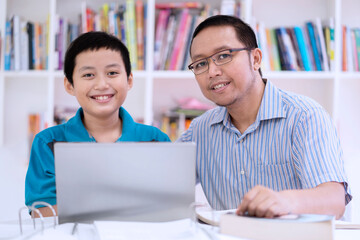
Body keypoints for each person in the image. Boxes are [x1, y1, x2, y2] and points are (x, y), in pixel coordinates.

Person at [178, 15, 351, 219]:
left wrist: (286, 201)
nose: (212, 72)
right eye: (200, 64)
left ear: (256, 59)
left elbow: (334, 200)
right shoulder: (200, 130)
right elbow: (158, 181)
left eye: (224, 56)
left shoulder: (305, 117)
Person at [25, 31, 170, 217]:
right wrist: (119, 206)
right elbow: (41, 211)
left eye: (112, 73)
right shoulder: (47, 142)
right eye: (88, 75)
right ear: (70, 85)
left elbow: (167, 207)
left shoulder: (156, 140)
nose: (101, 84)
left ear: (129, 80)